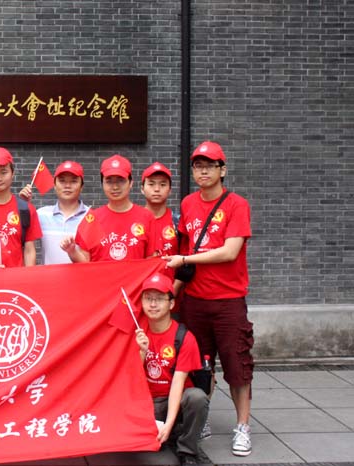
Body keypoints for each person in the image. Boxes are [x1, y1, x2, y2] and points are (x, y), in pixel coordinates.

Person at [164, 141, 254, 457]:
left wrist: (186, 260)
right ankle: (201, 419)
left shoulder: (237, 205)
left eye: (210, 165)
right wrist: (173, 292)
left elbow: (229, 252)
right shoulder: (188, 203)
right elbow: (183, 251)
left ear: (222, 169)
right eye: (198, 166)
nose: (203, 171)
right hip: (195, 300)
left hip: (228, 301)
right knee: (200, 366)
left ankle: (242, 426)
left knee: (237, 366)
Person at [135, 273, 209, 465]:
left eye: (159, 299)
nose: (153, 304)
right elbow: (131, 379)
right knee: (148, 447)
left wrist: (168, 423)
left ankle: (188, 450)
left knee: (197, 397)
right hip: (148, 403)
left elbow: (178, 382)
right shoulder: (137, 333)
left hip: (173, 398)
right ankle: (169, 433)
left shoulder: (184, 337)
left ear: (171, 303)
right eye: (148, 298)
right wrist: (141, 352)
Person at [62, 154, 157, 262]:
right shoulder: (92, 219)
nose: (115, 187)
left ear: (131, 183)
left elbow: (151, 262)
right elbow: (85, 263)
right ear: (102, 184)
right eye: (109, 181)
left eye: (121, 180)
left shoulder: (146, 217)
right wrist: (72, 251)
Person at [19, 160, 89, 264]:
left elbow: (92, 258)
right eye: (62, 181)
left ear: (82, 186)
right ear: (55, 185)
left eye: (73, 181)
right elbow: (19, 237)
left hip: (80, 275)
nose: (67, 185)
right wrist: (23, 205)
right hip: (48, 275)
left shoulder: (90, 217)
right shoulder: (41, 214)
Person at [142, 162, 179, 265]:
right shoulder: (135, 221)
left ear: (170, 190)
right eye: (151, 184)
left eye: (163, 185)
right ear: (142, 189)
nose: (157, 189)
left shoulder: (177, 221)